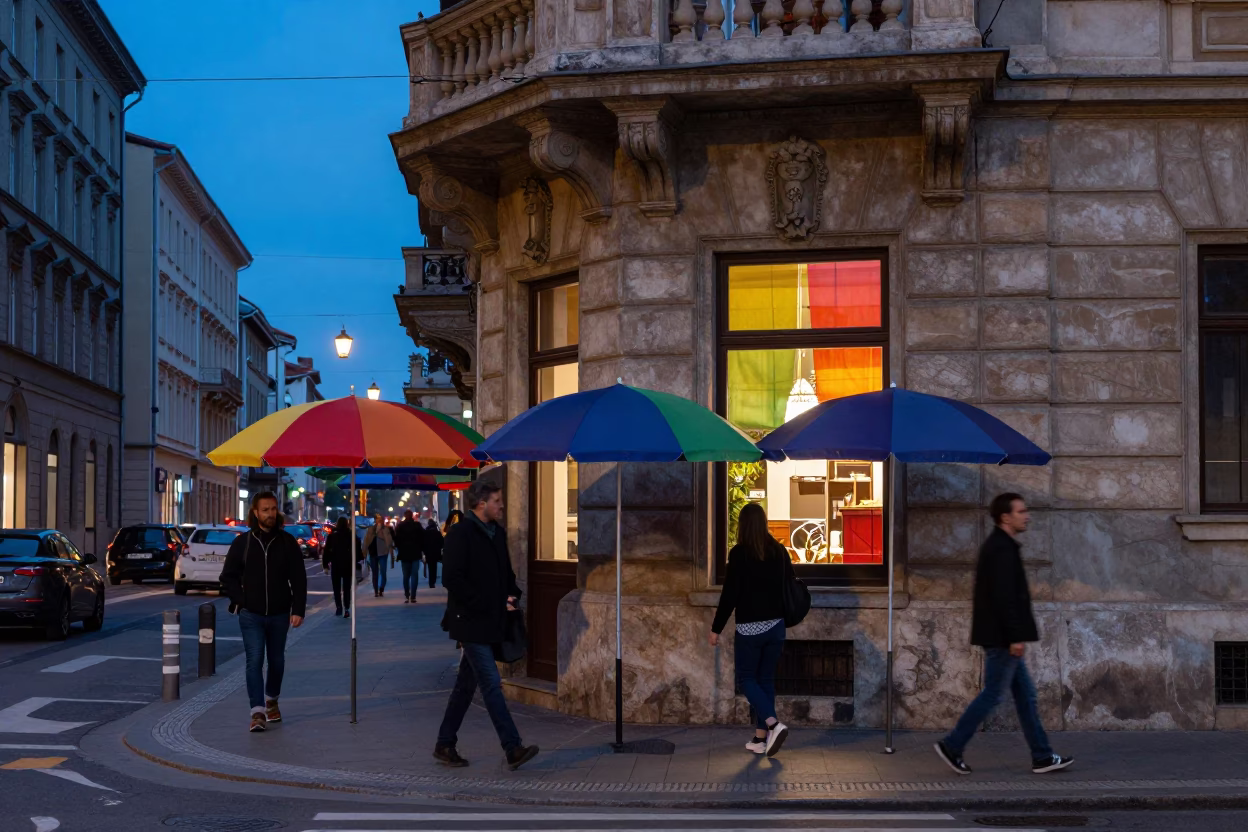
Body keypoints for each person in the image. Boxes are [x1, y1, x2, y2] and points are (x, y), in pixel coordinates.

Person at [935, 493, 1074, 776]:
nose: (1027, 515)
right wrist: (1014, 637)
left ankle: (1042, 756)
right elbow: (1004, 598)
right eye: (1021, 511)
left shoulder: (1003, 546)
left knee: (1026, 697)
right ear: (1005, 517)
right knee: (993, 695)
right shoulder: (1000, 549)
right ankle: (953, 745)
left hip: (1001, 636)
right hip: (1002, 639)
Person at [434, 481, 539, 771]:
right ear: (481, 503)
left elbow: (505, 573)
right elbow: (452, 579)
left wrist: (511, 594)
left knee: (465, 686)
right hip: (469, 622)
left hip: (492, 620)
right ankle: (512, 747)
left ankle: (444, 743)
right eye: (496, 501)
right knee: (491, 683)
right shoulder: (460, 534)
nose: (501, 506)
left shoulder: (496, 532)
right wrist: (487, 603)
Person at [220, 491, 308, 733]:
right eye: (265, 510)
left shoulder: (287, 542)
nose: (270, 514)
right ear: (255, 513)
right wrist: (240, 600)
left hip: (280, 613)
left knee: (277, 661)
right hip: (251, 614)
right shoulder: (243, 543)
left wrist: (298, 609)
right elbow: (228, 577)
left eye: (273, 509)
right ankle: (257, 712)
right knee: (254, 660)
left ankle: (271, 699)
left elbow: (299, 579)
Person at [709, 502, 792, 758]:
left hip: (750, 629)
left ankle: (773, 724)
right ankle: (760, 739)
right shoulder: (779, 551)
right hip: (776, 627)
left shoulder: (739, 554)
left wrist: (716, 628)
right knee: (764, 680)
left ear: (742, 525)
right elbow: (788, 586)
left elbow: (730, 594)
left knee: (746, 680)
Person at [322, 516, 356, 618]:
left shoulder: (332, 535)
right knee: (346, 587)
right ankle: (346, 607)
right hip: (347, 564)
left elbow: (327, 551)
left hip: (336, 564)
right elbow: (355, 549)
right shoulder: (350, 535)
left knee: (336, 588)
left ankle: (338, 607)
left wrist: (325, 565)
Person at [395, 510, 425, 603]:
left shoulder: (400, 526)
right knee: (414, 575)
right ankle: (413, 596)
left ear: (404, 516)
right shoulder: (417, 526)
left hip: (404, 554)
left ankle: (406, 595)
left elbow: (397, 540)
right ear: (412, 516)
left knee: (406, 576)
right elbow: (423, 538)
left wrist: (399, 549)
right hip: (415, 553)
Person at [362, 513, 394, 598]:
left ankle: (381, 588)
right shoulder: (371, 529)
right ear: (375, 521)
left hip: (383, 553)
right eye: (378, 520)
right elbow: (366, 541)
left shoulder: (386, 529)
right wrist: (364, 552)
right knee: (375, 573)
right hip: (373, 554)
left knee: (383, 573)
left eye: (381, 520)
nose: (380, 522)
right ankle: (376, 590)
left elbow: (389, 541)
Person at [424, 516, 445, 588]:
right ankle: (434, 581)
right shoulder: (437, 533)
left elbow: (423, 543)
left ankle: (431, 582)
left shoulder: (426, 533)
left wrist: (424, 551)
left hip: (428, 553)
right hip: (436, 552)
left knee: (430, 567)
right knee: (434, 567)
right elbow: (442, 542)